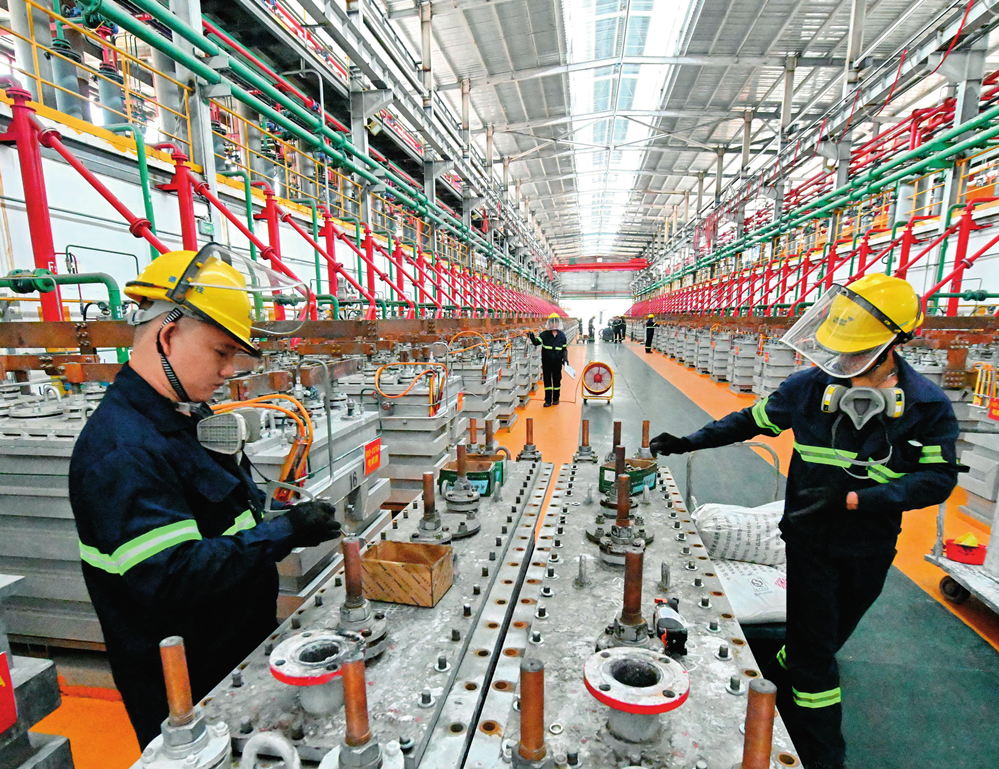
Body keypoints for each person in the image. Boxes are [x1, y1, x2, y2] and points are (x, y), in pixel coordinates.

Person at [648, 275, 959, 769]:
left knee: (828, 638)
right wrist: (690, 441)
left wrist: (856, 499)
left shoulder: (926, 406)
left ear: (893, 344)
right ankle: (821, 753)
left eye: (856, 352)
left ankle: (782, 669)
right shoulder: (809, 388)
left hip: (870, 547)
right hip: (809, 540)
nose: (842, 362)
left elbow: (937, 480)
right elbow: (750, 421)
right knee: (817, 661)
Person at [69, 247, 343, 748]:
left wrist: (284, 519)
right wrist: (284, 532)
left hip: (237, 652)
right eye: (221, 352)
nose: (230, 370)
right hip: (188, 688)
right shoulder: (122, 451)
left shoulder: (183, 417)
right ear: (168, 335)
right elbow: (171, 575)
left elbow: (223, 518)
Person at [529, 313, 569, 407]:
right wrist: (532, 337)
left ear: (559, 323)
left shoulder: (562, 336)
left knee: (557, 380)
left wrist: (565, 359)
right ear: (549, 323)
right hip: (547, 362)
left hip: (557, 362)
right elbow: (536, 342)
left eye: (556, 322)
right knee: (547, 380)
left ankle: (556, 399)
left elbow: (564, 349)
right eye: (552, 322)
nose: (554, 324)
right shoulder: (544, 334)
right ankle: (548, 400)